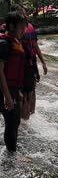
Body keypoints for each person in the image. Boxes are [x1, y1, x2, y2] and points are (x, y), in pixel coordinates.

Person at [15, 5, 48, 119]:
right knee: (24, 94)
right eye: (23, 14)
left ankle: (31, 116)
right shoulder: (13, 29)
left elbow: (35, 45)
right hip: (20, 65)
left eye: (25, 13)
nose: (26, 16)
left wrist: (43, 62)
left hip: (31, 63)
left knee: (32, 91)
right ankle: (25, 121)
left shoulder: (30, 27)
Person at [0, 12, 26, 152]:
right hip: (4, 90)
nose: (23, 31)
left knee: (14, 121)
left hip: (12, 90)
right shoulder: (4, 44)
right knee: (12, 122)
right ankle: (11, 154)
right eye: (21, 28)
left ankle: (11, 152)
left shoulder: (15, 42)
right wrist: (7, 96)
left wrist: (18, 92)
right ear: (11, 26)